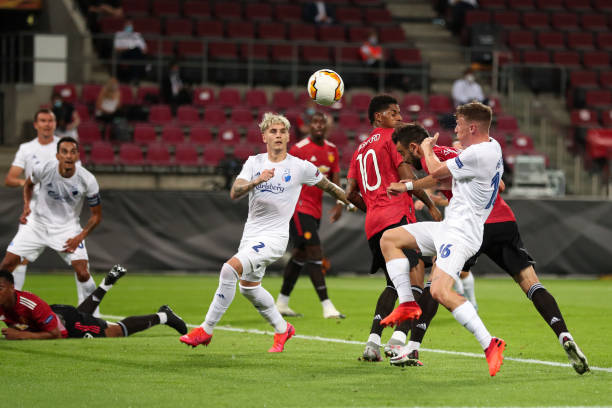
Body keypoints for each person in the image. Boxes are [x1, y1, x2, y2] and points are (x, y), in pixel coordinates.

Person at [386, 122, 590, 375]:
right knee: (530, 282)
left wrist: (413, 186)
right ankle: (564, 335)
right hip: (504, 221)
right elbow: (499, 186)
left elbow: (436, 172)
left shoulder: (439, 154)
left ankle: (413, 346)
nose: (402, 158)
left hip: (471, 227)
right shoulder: (470, 155)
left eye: (404, 153)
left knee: (435, 284)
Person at [180, 113, 351, 352]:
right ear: (264, 137)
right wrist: (256, 181)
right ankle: (283, 329)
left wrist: (351, 201)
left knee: (229, 269)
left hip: (274, 238)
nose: (278, 135)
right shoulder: (254, 162)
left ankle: (206, 330)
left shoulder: (299, 167)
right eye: (273, 131)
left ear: (289, 136)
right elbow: (235, 192)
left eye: (282, 131)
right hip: (251, 236)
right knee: (248, 288)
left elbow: (329, 186)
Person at [381, 102, 506, 376]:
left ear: (472, 127)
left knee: (439, 291)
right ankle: (407, 305)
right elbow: (445, 181)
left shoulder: (479, 153)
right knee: (389, 239)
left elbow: (437, 172)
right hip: (450, 226)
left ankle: (490, 343)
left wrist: (426, 148)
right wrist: (409, 186)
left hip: (462, 234)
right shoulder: (491, 146)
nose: (455, 129)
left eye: (459, 124)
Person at [344, 95, 441, 362]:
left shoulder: (360, 149)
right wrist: (431, 206)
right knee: (417, 278)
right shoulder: (392, 139)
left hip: (374, 224)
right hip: (398, 218)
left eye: (399, 112)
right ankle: (398, 342)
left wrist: (373, 208)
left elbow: (349, 193)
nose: (399, 117)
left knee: (392, 284)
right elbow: (407, 177)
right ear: (378, 117)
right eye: (393, 112)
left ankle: (372, 343)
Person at [0, 137, 102, 310]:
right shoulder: (44, 168)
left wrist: (79, 237)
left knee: (83, 273)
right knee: (6, 266)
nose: (68, 156)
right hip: (36, 225)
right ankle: (8, 309)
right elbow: (28, 184)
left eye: (72, 152)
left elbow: (96, 216)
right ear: (57, 155)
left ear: (77, 156)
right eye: (64, 152)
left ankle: (92, 312)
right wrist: (26, 206)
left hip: (67, 229)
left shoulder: (88, 180)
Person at [275, 112, 345, 319]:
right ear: (308, 126)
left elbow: (335, 177)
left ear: (327, 127)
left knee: (300, 255)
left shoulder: (332, 150)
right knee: (315, 252)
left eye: (322, 123)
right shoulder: (299, 149)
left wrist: (340, 202)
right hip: (298, 208)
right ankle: (327, 306)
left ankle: (281, 303)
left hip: (315, 209)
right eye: (315, 122)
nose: (319, 126)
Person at [0, 266, 187, 340]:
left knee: (115, 331)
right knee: (83, 316)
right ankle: (105, 285)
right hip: (60, 315)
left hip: (66, 326)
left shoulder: (31, 303)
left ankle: (163, 316)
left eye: (0, 288)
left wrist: (22, 335)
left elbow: (57, 334)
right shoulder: (4, 305)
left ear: (12, 288)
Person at [4, 109, 60, 290]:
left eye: (50, 121)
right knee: (19, 259)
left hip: (61, 212)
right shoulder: (26, 148)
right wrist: (27, 183)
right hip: (34, 211)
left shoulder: (65, 146)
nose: (47, 124)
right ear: (36, 125)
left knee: (80, 264)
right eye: (43, 121)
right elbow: (10, 178)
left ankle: (91, 315)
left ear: (55, 124)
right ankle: (14, 303)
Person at [113, 19, 147, 84]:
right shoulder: (119, 34)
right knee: (135, 52)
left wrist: (138, 50)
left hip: (137, 55)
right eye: (127, 25)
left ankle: (134, 77)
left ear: (133, 26)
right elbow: (117, 48)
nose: (129, 26)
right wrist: (129, 49)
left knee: (136, 53)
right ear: (124, 25)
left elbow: (145, 49)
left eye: (130, 25)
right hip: (125, 54)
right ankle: (136, 77)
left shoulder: (137, 35)